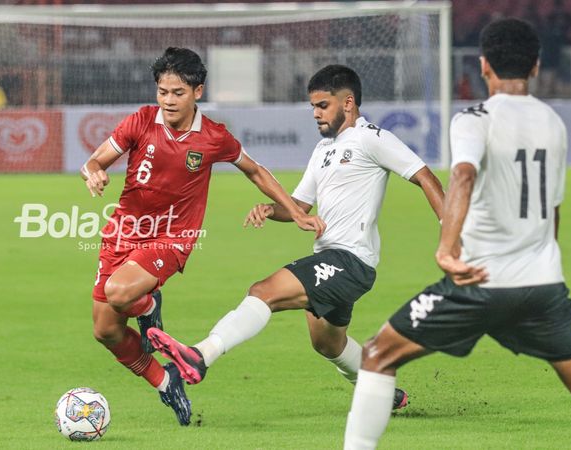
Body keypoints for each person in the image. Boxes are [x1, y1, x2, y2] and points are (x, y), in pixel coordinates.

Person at [343, 18, 571, 450]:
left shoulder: (473, 119)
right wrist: (546, 264)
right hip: (543, 288)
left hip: (480, 283)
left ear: (484, 65)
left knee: (377, 355)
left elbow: (464, 175)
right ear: (536, 67)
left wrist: (447, 249)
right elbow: (553, 211)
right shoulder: (555, 123)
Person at [145, 65, 445, 411]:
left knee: (263, 291)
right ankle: (382, 392)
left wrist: (449, 230)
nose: (315, 114)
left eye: (322, 105)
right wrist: (271, 210)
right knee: (328, 344)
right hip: (332, 257)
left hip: (350, 260)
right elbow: (300, 205)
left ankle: (200, 355)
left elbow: (425, 177)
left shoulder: (371, 138)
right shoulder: (323, 150)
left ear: (348, 103)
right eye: (313, 107)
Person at [81, 47, 325, 426]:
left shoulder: (213, 137)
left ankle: (147, 307)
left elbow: (256, 171)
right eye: (162, 92)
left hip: (174, 237)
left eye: (177, 92)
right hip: (125, 231)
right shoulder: (141, 121)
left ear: (198, 91)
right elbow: (94, 160)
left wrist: (295, 212)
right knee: (105, 330)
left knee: (119, 292)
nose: (168, 100)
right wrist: (94, 172)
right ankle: (165, 383)